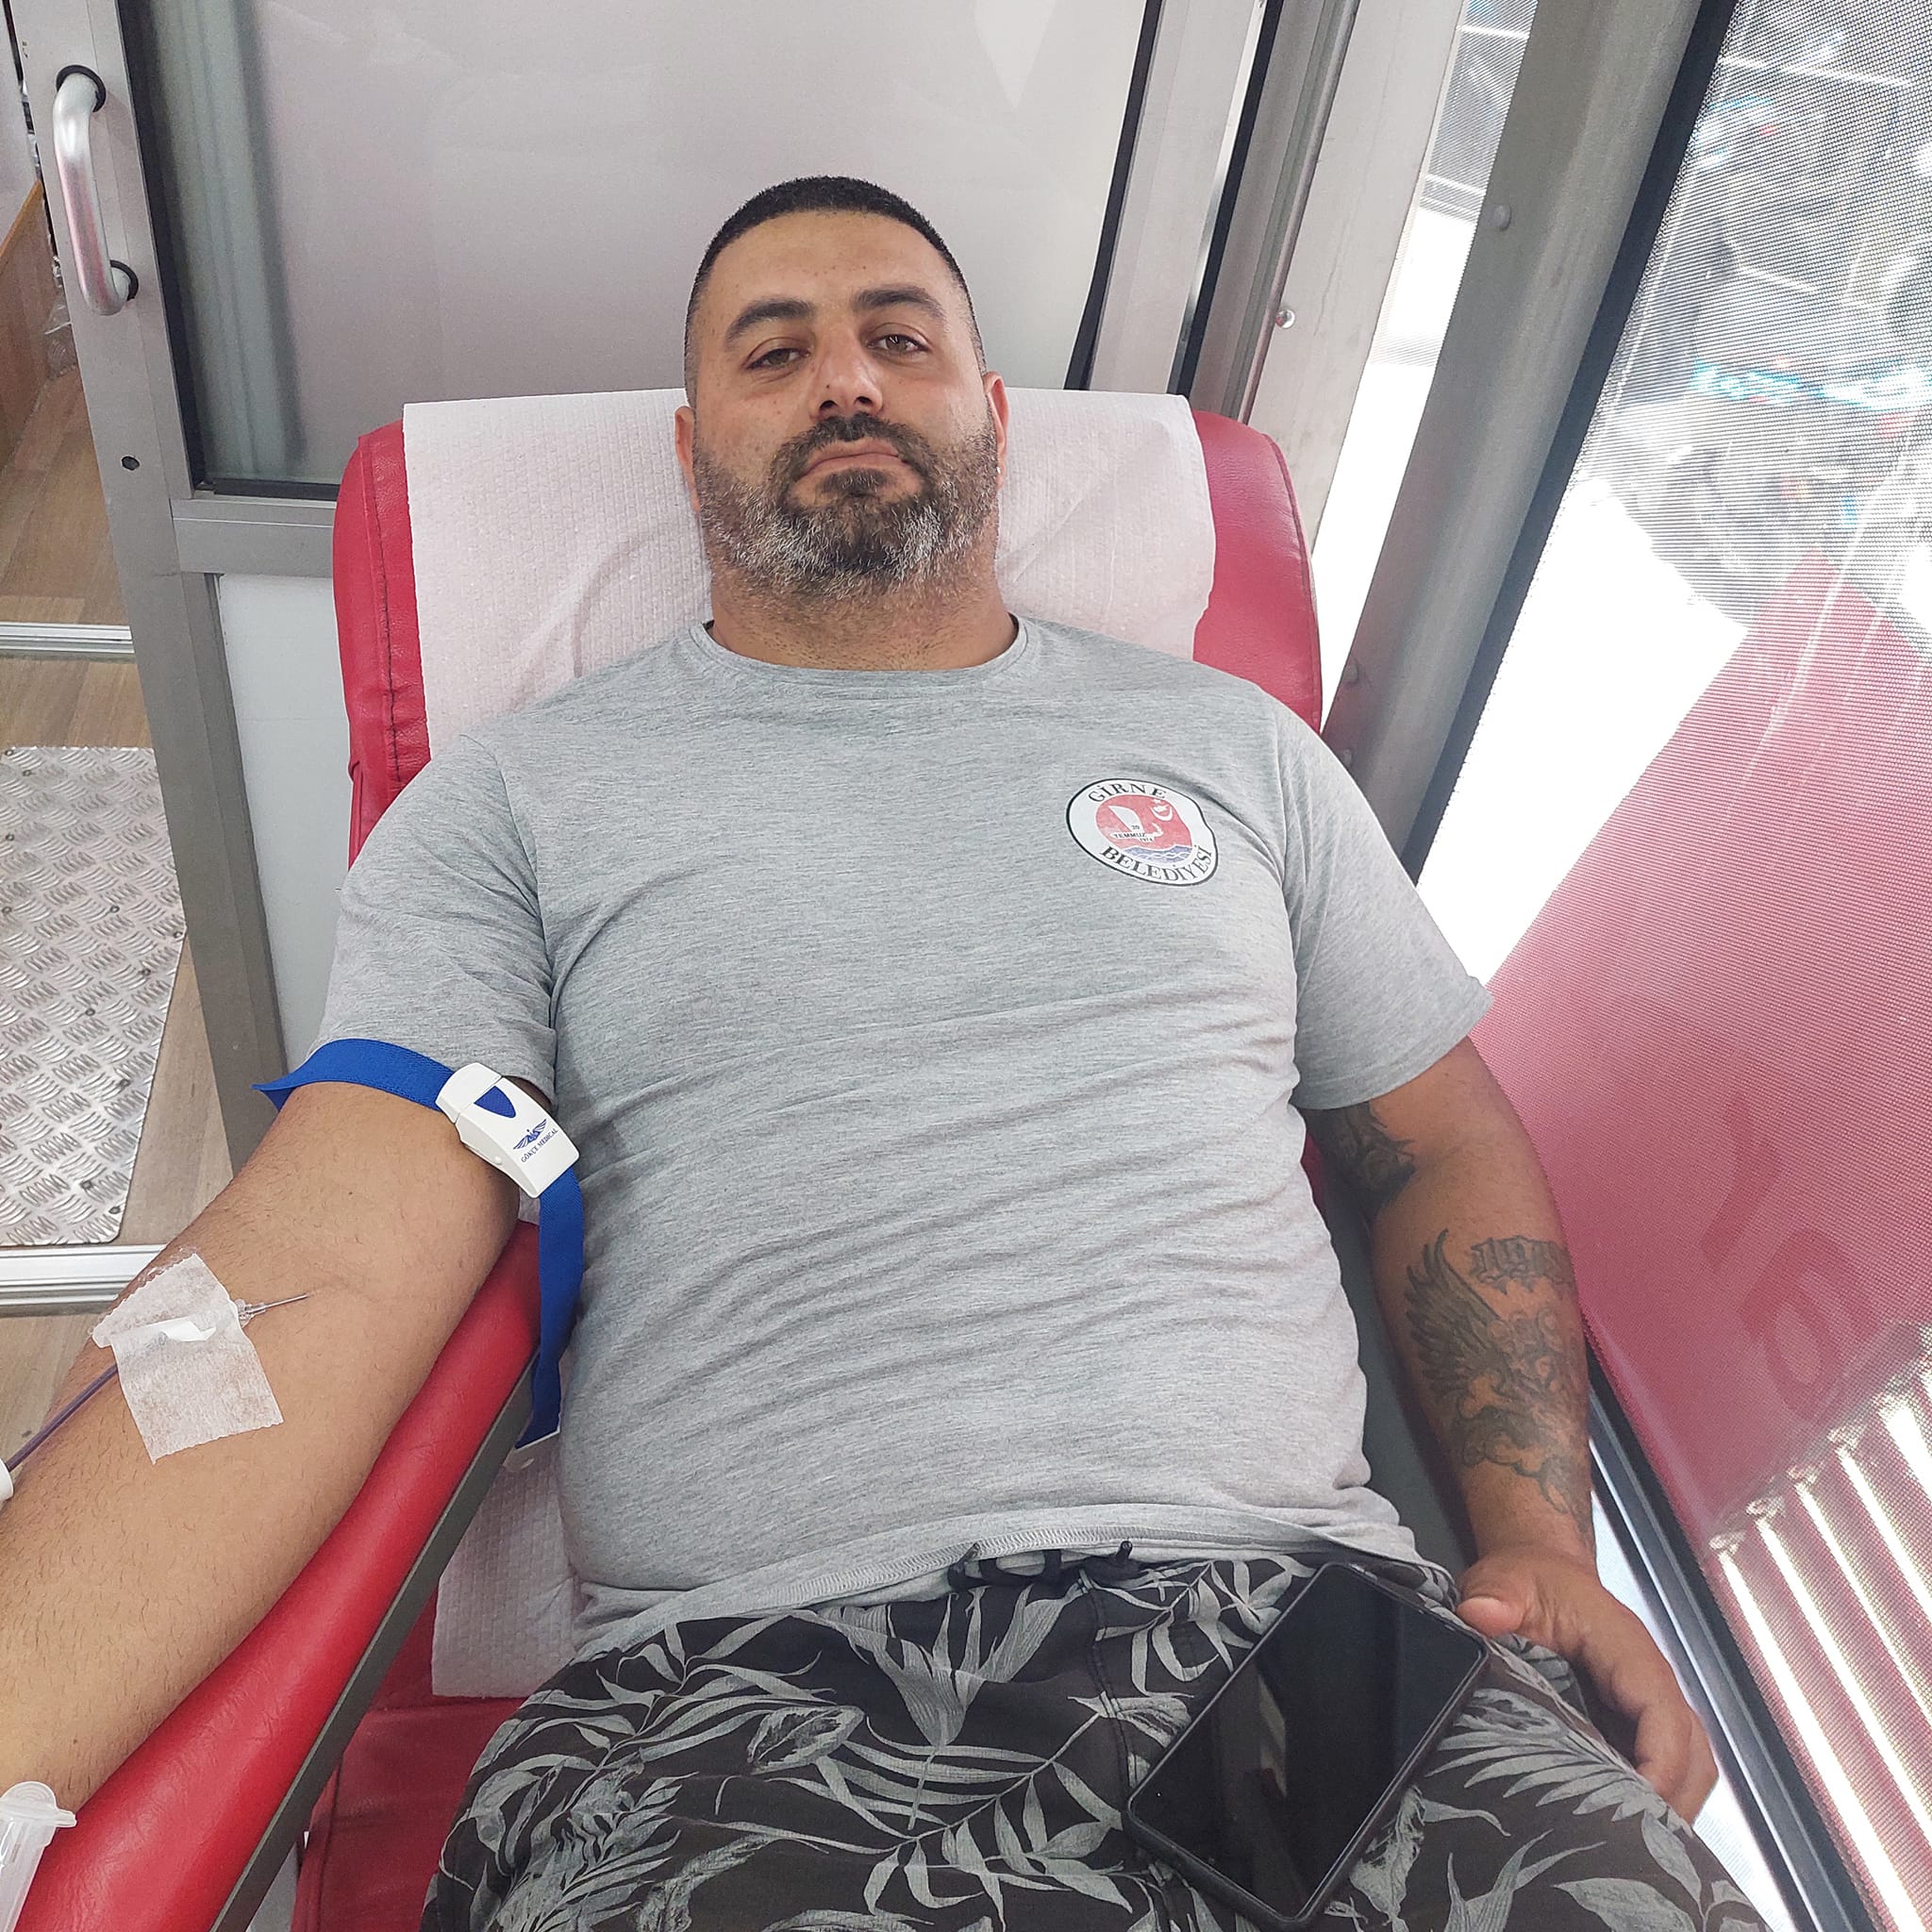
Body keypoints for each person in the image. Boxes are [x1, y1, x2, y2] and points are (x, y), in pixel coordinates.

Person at [0, 177, 1758, 1932]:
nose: (846, 378)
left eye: (898, 339)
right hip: (754, 1695)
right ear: (691, 453)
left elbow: (1440, 1139)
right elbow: (324, 1265)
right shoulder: (517, 805)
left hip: (1306, 1635)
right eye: (774, 353)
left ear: (989, 417)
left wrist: (1541, 1541)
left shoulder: (1237, 753)